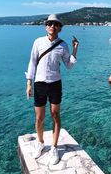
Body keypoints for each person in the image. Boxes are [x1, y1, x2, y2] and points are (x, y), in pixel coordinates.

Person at [25, 14, 79, 165]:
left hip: (55, 83)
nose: (52, 26)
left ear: (60, 28)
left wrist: (75, 50)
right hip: (40, 83)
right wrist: (29, 83)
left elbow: (68, 65)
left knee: (55, 115)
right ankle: (41, 143)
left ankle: (54, 147)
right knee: (39, 117)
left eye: (55, 24)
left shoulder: (63, 45)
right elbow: (32, 63)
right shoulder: (38, 42)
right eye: (49, 23)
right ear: (46, 26)